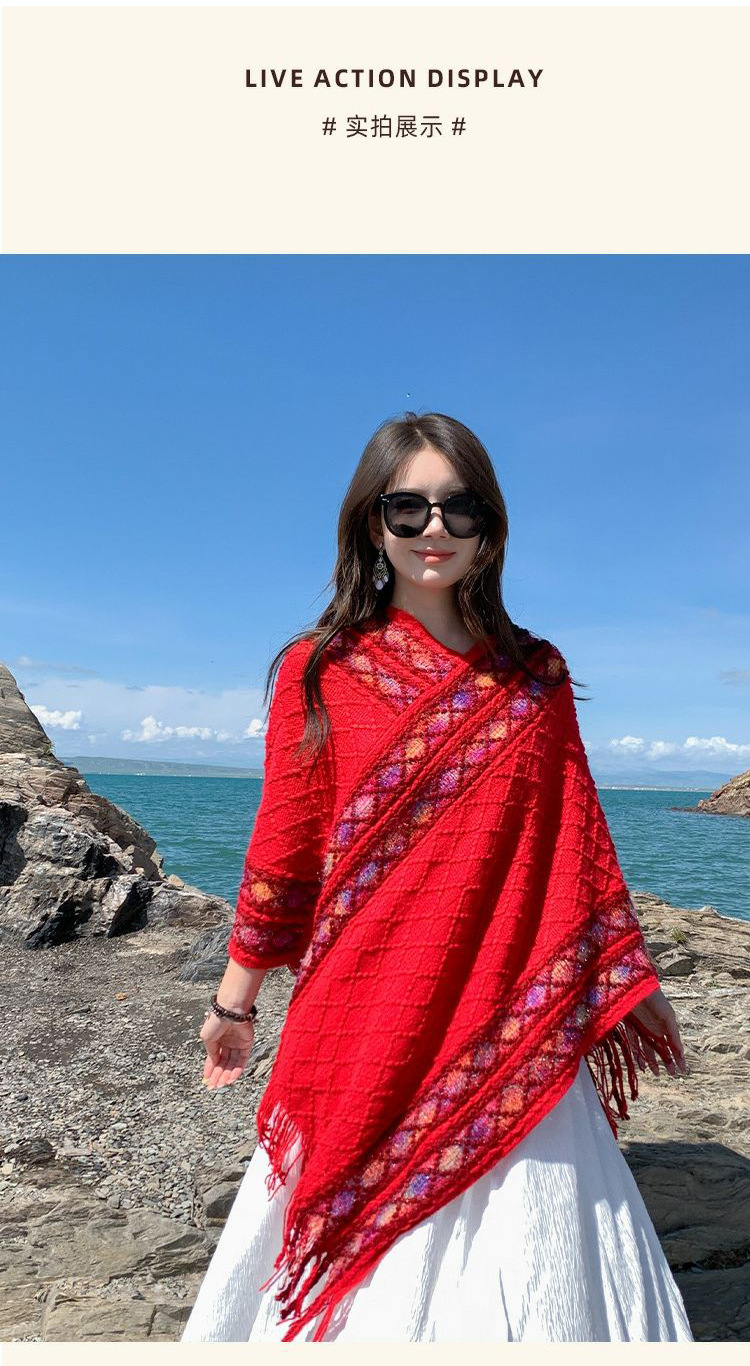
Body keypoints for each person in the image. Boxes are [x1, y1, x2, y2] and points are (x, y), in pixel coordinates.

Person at [181, 411, 694, 1343]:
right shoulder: (320, 669)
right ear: (370, 521)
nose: (434, 528)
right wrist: (234, 1004)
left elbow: (577, 837)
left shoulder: (534, 676)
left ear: (489, 526)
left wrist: (629, 974)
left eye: (460, 508)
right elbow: (283, 854)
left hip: (511, 1011)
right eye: (407, 506)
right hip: (364, 1003)